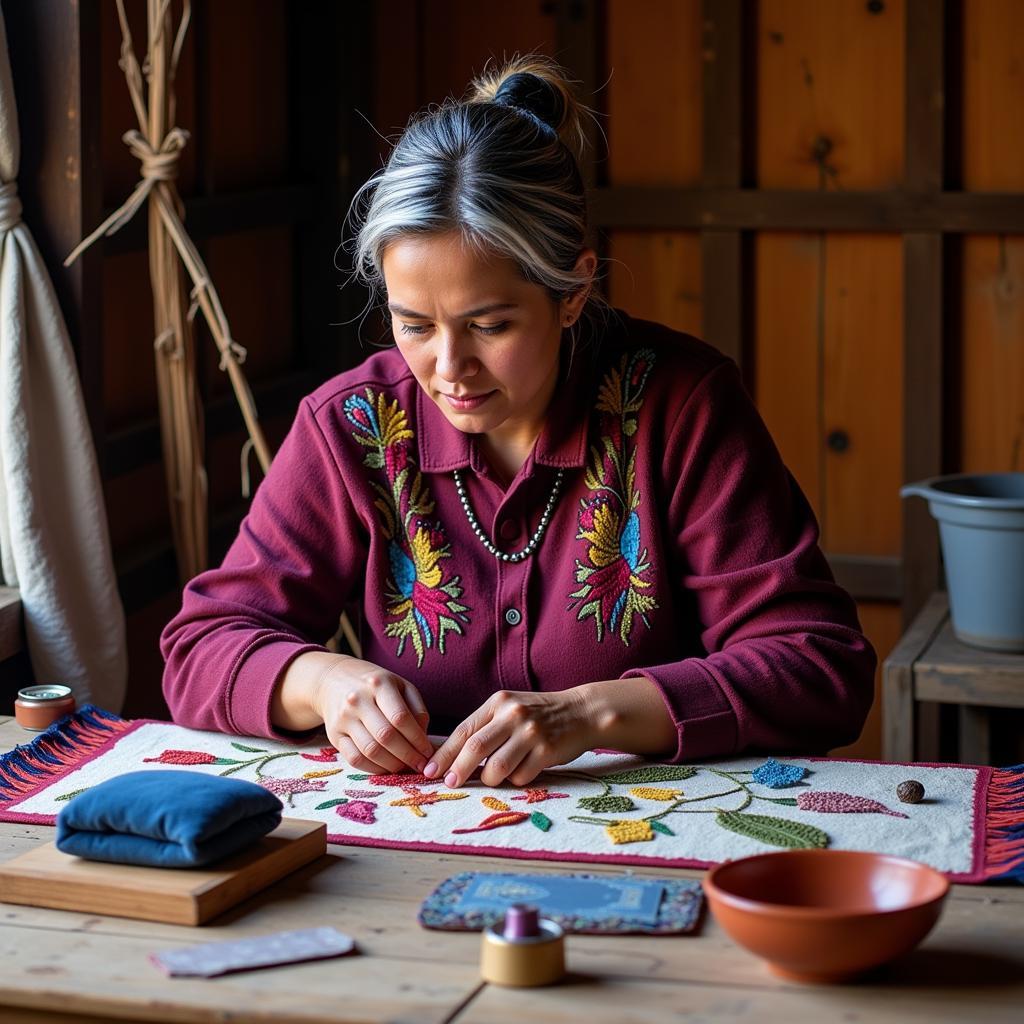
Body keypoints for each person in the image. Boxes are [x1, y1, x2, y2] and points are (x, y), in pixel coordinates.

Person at [160, 55, 876, 791]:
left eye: (490, 325)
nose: (448, 366)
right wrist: (322, 682)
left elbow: (820, 664)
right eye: (413, 325)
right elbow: (200, 647)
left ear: (573, 290)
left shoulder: (679, 407)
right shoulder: (354, 425)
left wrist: (594, 715)